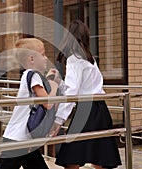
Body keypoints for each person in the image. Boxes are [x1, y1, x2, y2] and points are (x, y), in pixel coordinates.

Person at [47, 20, 122, 169]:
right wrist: (60, 82)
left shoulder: (74, 59)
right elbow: (82, 87)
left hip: (86, 111)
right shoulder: (89, 58)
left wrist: (58, 121)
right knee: (98, 157)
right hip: (99, 109)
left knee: (72, 158)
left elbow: (72, 92)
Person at [0, 38, 58, 169]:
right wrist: (54, 85)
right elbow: (47, 103)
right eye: (43, 54)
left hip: (23, 138)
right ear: (31, 59)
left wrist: (48, 78)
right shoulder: (32, 75)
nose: (46, 58)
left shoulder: (29, 75)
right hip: (17, 139)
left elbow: (38, 92)